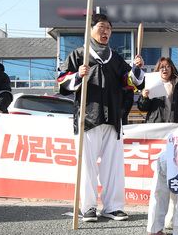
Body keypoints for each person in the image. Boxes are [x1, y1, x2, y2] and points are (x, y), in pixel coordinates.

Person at [58, 13, 145, 222]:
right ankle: (88, 207)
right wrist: (78, 75)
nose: (105, 31)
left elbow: (132, 83)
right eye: (101, 27)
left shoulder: (115, 58)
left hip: (114, 118)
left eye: (108, 28)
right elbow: (62, 84)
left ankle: (113, 207)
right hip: (87, 118)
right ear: (90, 29)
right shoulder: (78, 55)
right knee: (86, 166)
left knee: (113, 166)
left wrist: (136, 69)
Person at [137, 57, 178, 125]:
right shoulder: (150, 84)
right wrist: (144, 97)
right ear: (158, 69)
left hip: (175, 126)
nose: (164, 69)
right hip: (155, 126)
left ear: (172, 68)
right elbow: (142, 108)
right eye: (161, 67)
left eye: (168, 66)